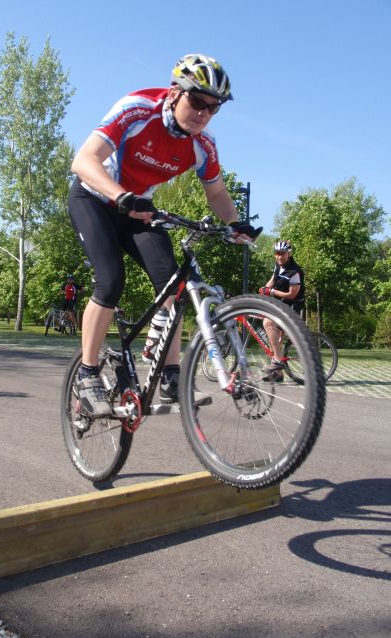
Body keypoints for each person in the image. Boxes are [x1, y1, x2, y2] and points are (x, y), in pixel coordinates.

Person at [68, 53, 261, 417]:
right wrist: (120, 195)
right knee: (110, 280)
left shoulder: (203, 145)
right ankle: (88, 374)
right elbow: (83, 160)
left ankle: (171, 375)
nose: (203, 113)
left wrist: (235, 224)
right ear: (174, 93)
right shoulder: (138, 110)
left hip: (138, 210)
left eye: (213, 108)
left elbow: (217, 193)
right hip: (94, 198)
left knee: (174, 284)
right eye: (197, 101)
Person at [259, 240, 305, 382]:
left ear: (289, 254)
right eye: (277, 253)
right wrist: (264, 290)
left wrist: (272, 292)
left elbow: (292, 294)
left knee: (268, 322)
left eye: (282, 254)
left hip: (292, 305)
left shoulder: (294, 272)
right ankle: (278, 374)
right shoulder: (278, 266)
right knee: (271, 334)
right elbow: (273, 280)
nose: (279, 256)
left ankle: (278, 360)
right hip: (281, 303)